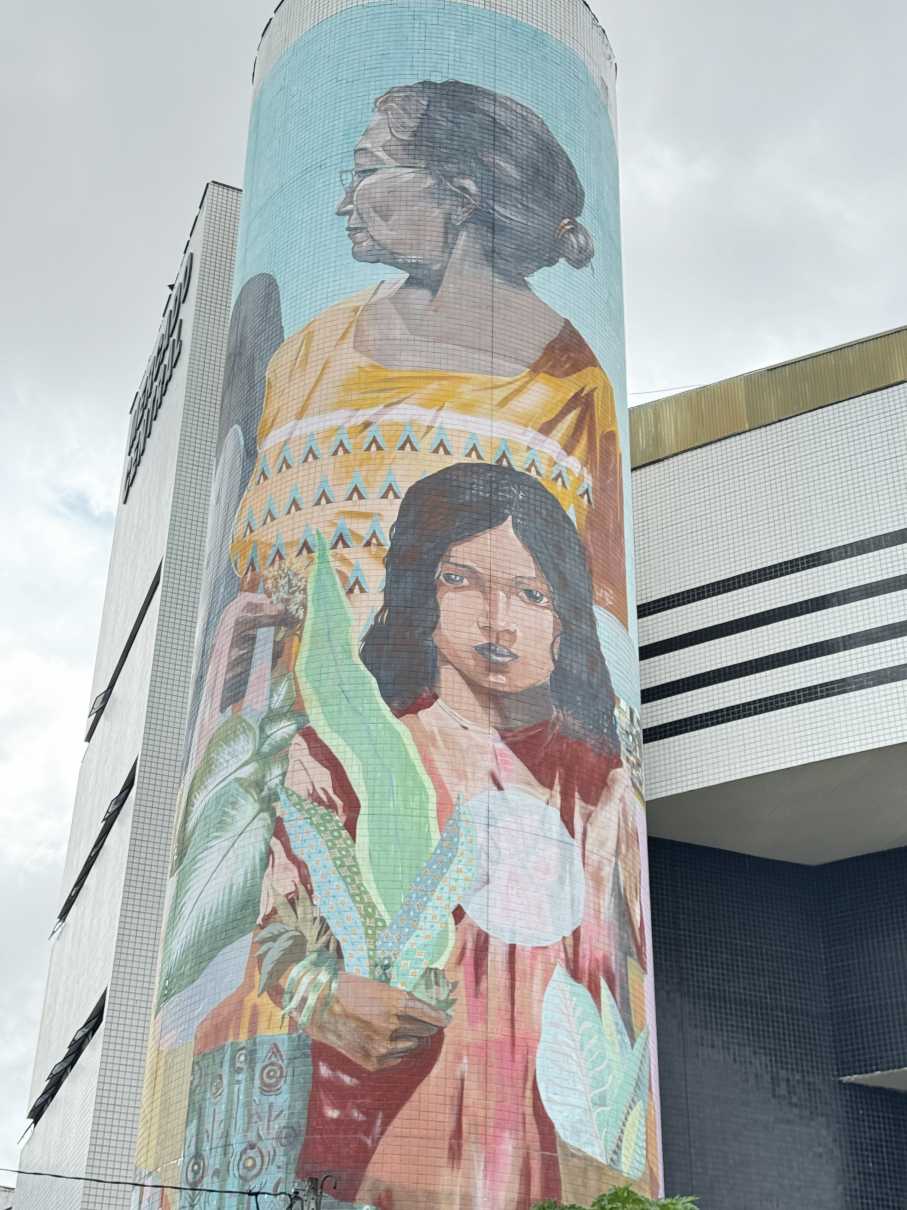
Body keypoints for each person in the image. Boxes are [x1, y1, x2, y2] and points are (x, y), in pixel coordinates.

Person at [259, 464, 647, 1208]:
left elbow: (624, 993)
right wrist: (329, 997)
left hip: (563, 1155)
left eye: (531, 593)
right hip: (382, 1137)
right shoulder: (341, 755)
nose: (497, 618)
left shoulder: (603, 789)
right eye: (461, 579)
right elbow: (275, 931)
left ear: (563, 622)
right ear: (420, 592)